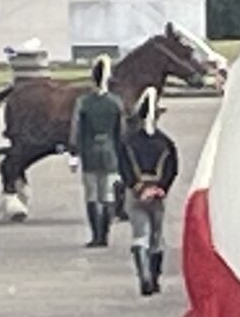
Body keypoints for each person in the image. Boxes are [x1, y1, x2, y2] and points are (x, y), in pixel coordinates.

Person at [117, 87, 179, 296]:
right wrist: (160, 188)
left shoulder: (127, 142)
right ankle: (154, 277)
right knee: (157, 237)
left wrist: (137, 187)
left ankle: (142, 274)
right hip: (159, 195)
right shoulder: (166, 143)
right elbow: (173, 169)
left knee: (140, 234)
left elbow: (123, 168)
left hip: (136, 193)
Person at [70, 56, 125, 248]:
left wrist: (74, 153)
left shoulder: (83, 102)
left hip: (89, 152)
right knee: (107, 195)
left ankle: (96, 235)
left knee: (92, 195)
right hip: (110, 154)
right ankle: (105, 235)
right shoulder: (116, 103)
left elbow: (76, 130)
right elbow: (121, 133)